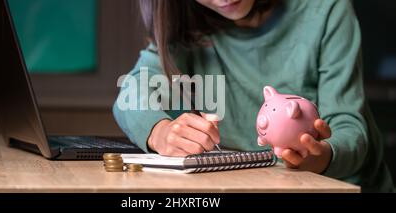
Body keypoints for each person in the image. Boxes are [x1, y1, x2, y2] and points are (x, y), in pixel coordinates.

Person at [112, 0, 394, 192]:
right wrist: (160, 132)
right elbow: (132, 92)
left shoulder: (325, 10)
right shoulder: (184, 23)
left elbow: (350, 127)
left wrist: (321, 157)